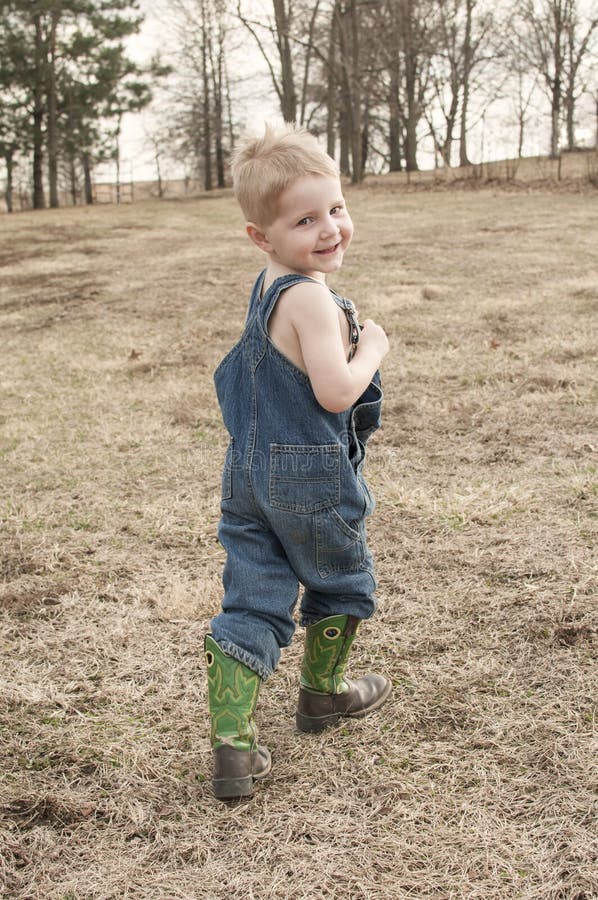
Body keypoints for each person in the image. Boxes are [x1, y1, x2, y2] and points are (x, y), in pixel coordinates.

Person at [204, 122, 391, 800]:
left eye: (336, 208)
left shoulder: (269, 286)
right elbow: (335, 390)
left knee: (254, 595)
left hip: (248, 477)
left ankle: (233, 747)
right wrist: (370, 346)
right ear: (262, 236)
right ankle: (323, 694)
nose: (330, 228)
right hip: (307, 476)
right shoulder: (311, 298)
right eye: (305, 219)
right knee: (340, 579)